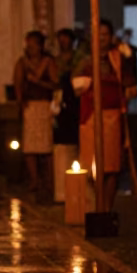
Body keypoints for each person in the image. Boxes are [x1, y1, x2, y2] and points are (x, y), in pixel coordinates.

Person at [74, 19, 137, 211]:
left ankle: (107, 209)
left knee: (112, 166)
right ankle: (96, 206)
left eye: (105, 35)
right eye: (97, 35)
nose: (101, 39)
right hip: (90, 116)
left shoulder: (118, 57)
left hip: (112, 117)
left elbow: (130, 84)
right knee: (91, 165)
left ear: (111, 37)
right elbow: (75, 85)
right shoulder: (84, 58)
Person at [13, 31, 58, 191]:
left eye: (34, 44)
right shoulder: (22, 63)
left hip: (44, 105)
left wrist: (39, 82)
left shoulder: (48, 62)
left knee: (46, 145)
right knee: (30, 146)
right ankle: (34, 180)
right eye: (29, 44)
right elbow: (17, 83)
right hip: (30, 106)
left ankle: (49, 180)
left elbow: (55, 84)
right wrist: (20, 101)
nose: (31, 48)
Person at [52, 28, 81, 146]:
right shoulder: (56, 60)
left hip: (76, 95)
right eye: (60, 39)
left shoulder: (78, 57)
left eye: (65, 38)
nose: (62, 41)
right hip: (60, 95)